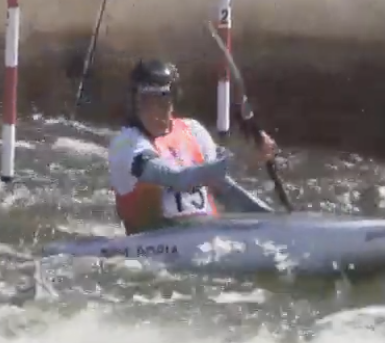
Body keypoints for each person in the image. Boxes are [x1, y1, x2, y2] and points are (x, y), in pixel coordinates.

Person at [105, 59, 278, 236]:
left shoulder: (194, 131)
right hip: (152, 244)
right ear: (134, 104)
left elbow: (224, 188)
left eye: (162, 100)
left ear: (174, 99)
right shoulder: (126, 144)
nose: (154, 111)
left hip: (206, 235)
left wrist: (272, 219)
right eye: (146, 101)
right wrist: (242, 160)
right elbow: (176, 178)